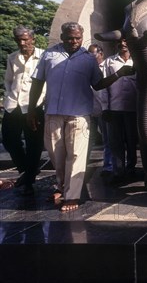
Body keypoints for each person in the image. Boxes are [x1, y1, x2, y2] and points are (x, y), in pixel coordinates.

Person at [27, 22, 133, 212]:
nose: (73, 41)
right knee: (56, 155)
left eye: (77, 38)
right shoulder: (49, 55)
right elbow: (37, 81)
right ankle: (62, 188)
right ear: (62, 36)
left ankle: (73, 195)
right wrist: (32, 109)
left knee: (76, 155)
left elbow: (98, 84)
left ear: (82, 37)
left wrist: (118, 74)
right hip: (53, 112)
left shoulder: (88, 59)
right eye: (69, 37)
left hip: (79, 114)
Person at [1, 25, 46, 196]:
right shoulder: (12, 57)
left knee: (34, 142)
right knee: (9, 139)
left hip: (34, 106)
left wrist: (41, 103)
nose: (22, 43)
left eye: (25, 39)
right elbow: (9, 81)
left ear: (32, 39)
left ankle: (28, 178)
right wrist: (7, 98)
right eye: (18, 39)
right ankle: (27, 170)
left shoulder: (43, 56)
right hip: (14, 105)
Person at [102, 37, 138, 184]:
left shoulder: (138, 61)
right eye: (120, 42)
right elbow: (104, 86)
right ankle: (118, 172)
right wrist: (105, 108)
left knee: (132, 141)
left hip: (133, 109)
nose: (123, 44)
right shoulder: (109, 62)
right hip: (114, 109)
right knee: (115, 143)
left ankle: (131, 169)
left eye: (126, 41)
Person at [88, 44, 112, 176]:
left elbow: (104, 91)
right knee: (88, 140)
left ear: (101, 54)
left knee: (107, 139)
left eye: (93, 55)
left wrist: (106, 108)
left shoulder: (107, 67)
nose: (90, 58)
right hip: (90, 110)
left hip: (103, 110)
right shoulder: (88, 69)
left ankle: (108, 166)